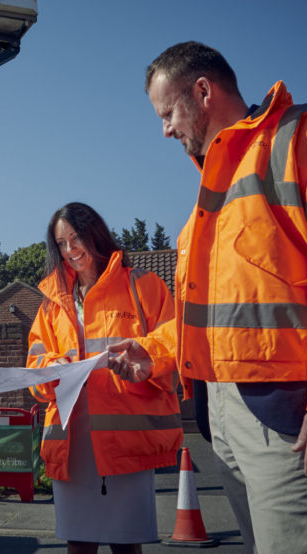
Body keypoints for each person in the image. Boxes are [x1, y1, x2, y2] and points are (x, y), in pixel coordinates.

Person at [108, 42, 307, 554]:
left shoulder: (303, 138)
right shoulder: (207, 206)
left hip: (285, 411)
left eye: (167, 113)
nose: (165, 130)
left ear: (203, 92)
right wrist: (154, 352)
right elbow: (218, 317)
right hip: (220, 417)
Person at [27, 202, 182, 554]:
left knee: (126, 544)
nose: (70, 250)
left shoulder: (143, 285)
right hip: (72, 441)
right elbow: (35, 363)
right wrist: (54, 368)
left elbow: (176, 341)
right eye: (61, 243)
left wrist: (146, 355)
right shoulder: (51, 302)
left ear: (95, 234)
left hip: (125, 440)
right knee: (78, 544)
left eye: (76, 238)